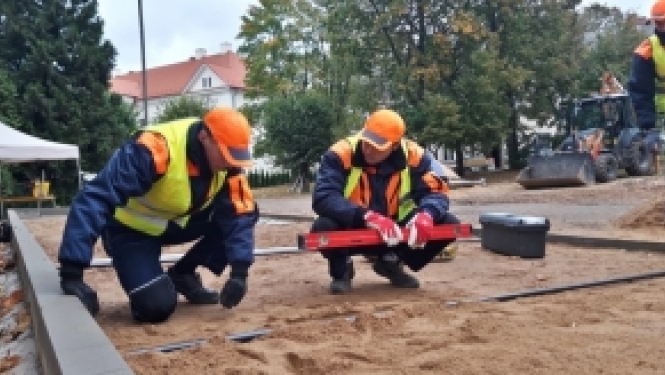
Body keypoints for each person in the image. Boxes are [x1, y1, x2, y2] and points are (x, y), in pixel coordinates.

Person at [57, 107, 259, 323]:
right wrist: (72, 273)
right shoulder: (154, 148)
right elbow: (94, 197)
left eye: (235, 156)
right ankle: (148, 279)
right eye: (225, 154)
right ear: (203, 136)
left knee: (246, 211)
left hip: (175, 223)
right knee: (156, 307)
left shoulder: (229, 165)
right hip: (131, 230)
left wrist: (240, 273)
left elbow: (240, 214)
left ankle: (183, 275)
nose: (230, 163)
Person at [310, 109, 459, 294]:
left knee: (448, 224)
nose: (368, 149)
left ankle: (391, 262)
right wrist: (366, 216)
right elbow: (323, 197)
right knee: (324, 226)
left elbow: (437, 192)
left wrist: (427, 214)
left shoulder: (416, 156)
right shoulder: (340, 154)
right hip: (353, 225)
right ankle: (342, 271)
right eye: (366, 141)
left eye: (377, 146)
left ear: (395, 146)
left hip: (394, 230)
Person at [627, 0, 665, 172]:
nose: (663, 26)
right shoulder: (646, 50)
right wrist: (649, 128)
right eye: (659, 22)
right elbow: (641, 91)